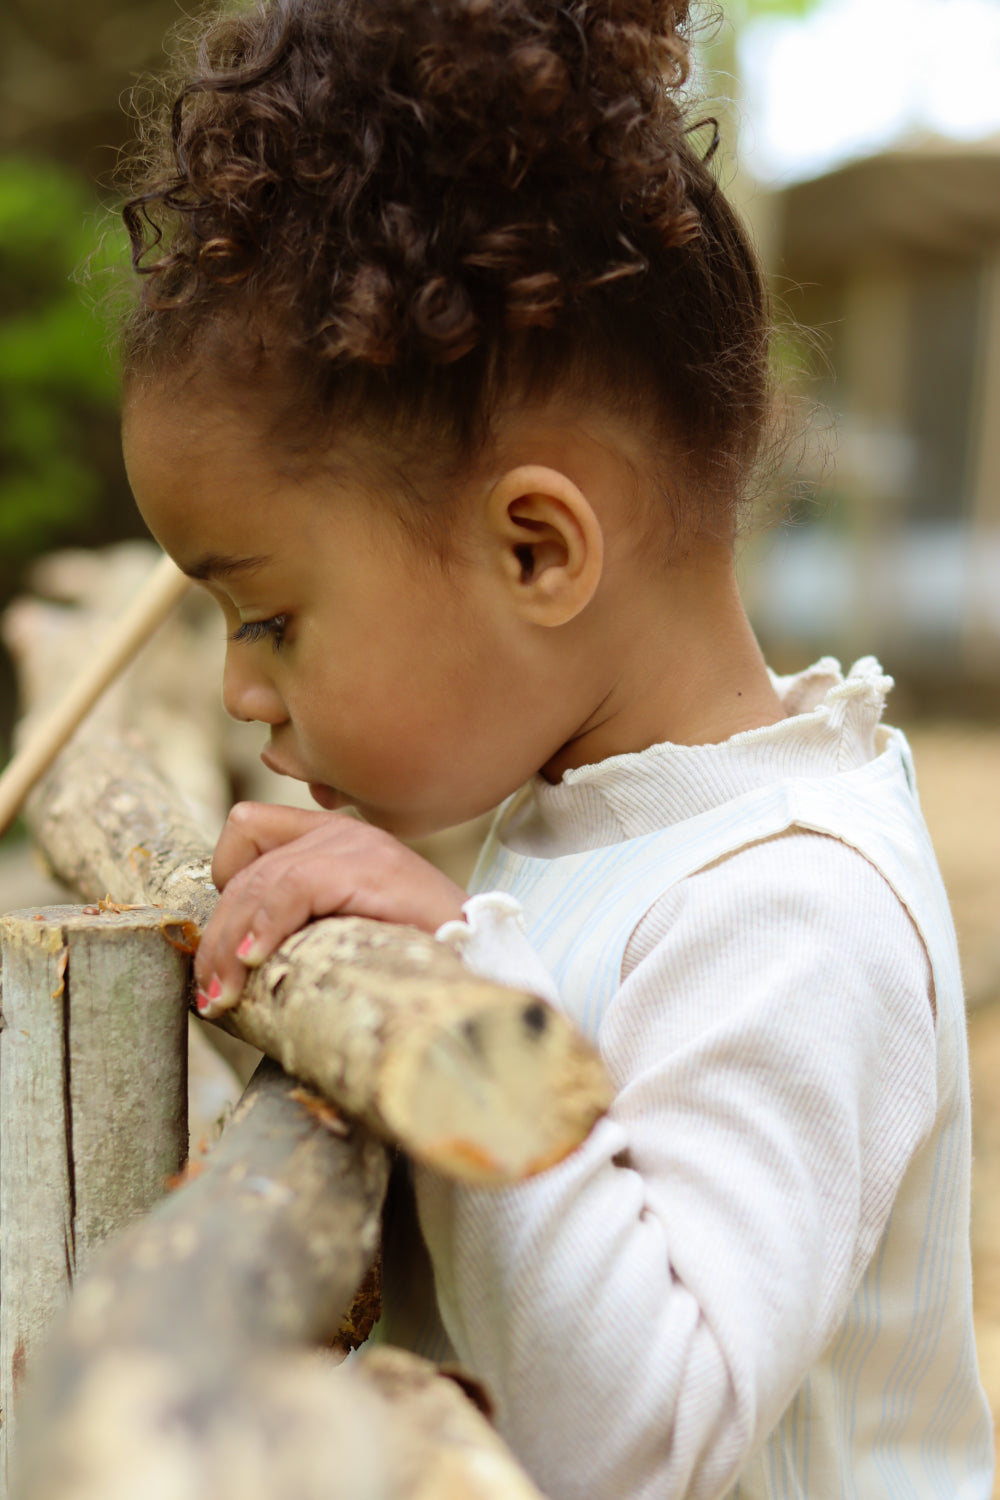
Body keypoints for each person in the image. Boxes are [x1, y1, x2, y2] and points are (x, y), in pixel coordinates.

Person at [118, 0, 994, 1495]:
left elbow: (639, 1439)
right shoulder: (596, 821)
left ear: (536, 550)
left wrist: (463, 994)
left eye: (266, 617)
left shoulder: (790, 910)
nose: (241, 694)